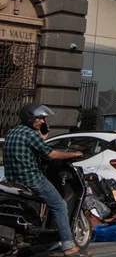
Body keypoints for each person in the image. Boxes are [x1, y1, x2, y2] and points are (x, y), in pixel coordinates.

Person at [3, 104, 87, 257]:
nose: (42, 121)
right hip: (32, 179)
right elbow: (51, 155)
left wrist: (43, 136)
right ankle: (68, 246)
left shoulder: (12, 132)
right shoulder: (30, 134)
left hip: (12, 180)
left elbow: (36, 147)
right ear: (30, 118)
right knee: (60, 205)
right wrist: (74, 154)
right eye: (40, 118)